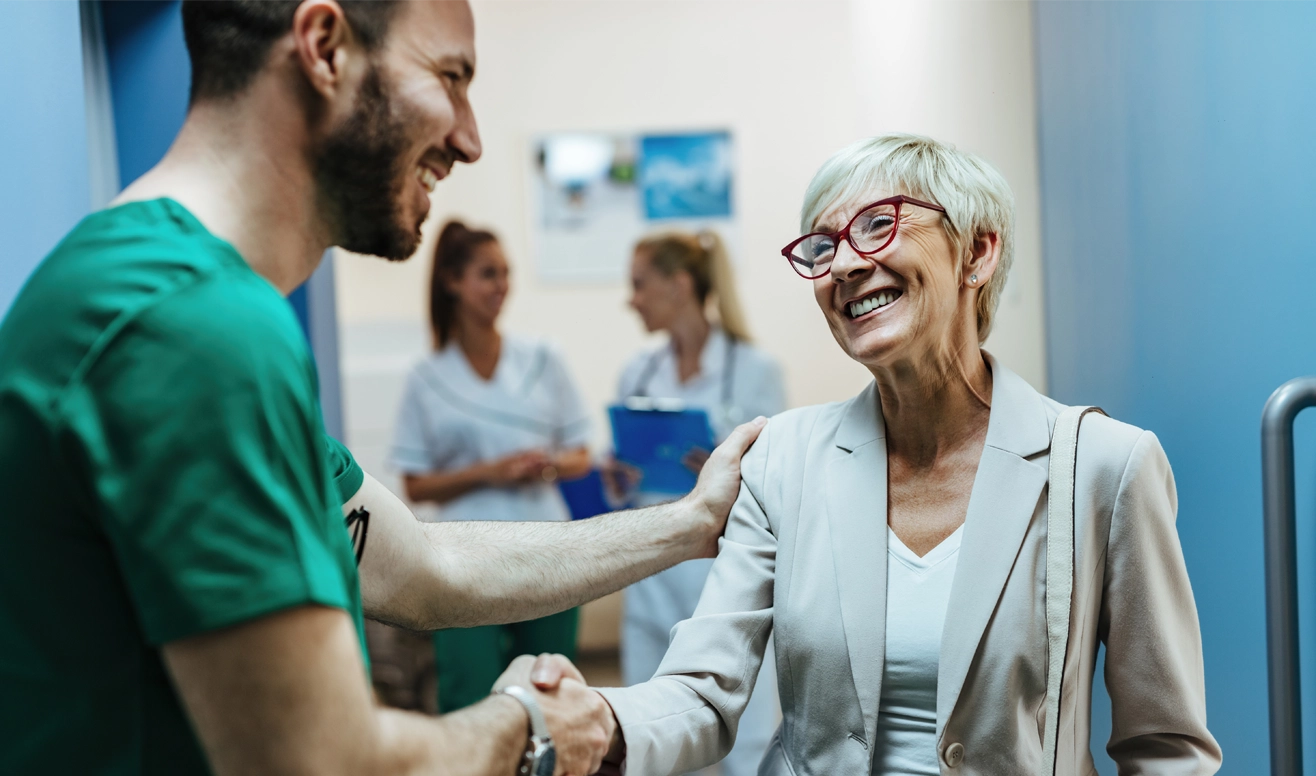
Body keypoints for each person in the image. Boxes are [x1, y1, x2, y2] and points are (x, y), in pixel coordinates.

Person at [0, 1, 767, 774]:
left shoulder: (167, 291)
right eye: (450, 78)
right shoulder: (193, 326)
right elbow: (326, 761)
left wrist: (693, 522)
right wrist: (533, 728)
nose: (469, 139)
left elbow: (426, 568)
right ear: (325, 45)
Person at [581, 134, 1223, 775]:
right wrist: (588, 723)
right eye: (823, 247)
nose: (842, 266)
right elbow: (702, 693)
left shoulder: (1103, 466)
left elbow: (1166, 749)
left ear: (977, 251)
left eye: (879, 225)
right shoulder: (781, 460)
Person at [391, 220, 592, 712]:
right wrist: (488, 472)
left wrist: (547, 465)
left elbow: (582, 455)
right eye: (487, 274)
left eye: (506, 273)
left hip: (548, 549)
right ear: (452, 282)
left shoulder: (543, 358)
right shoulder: (427, 377)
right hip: (464, 557)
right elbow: (416, 485)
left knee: (550, 692)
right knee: (471, 694)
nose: (502, 286)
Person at [609, 230, 787, 776]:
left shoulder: (754, 370)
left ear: (679, 285)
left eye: (640, 285)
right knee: (648, 725)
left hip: (725, 571)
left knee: (744, 731)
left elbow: (778, 477)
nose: (631, 298)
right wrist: (617, 475)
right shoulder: (637, 373)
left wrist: (719, 463)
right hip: (654, 570)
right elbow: (621, 482)